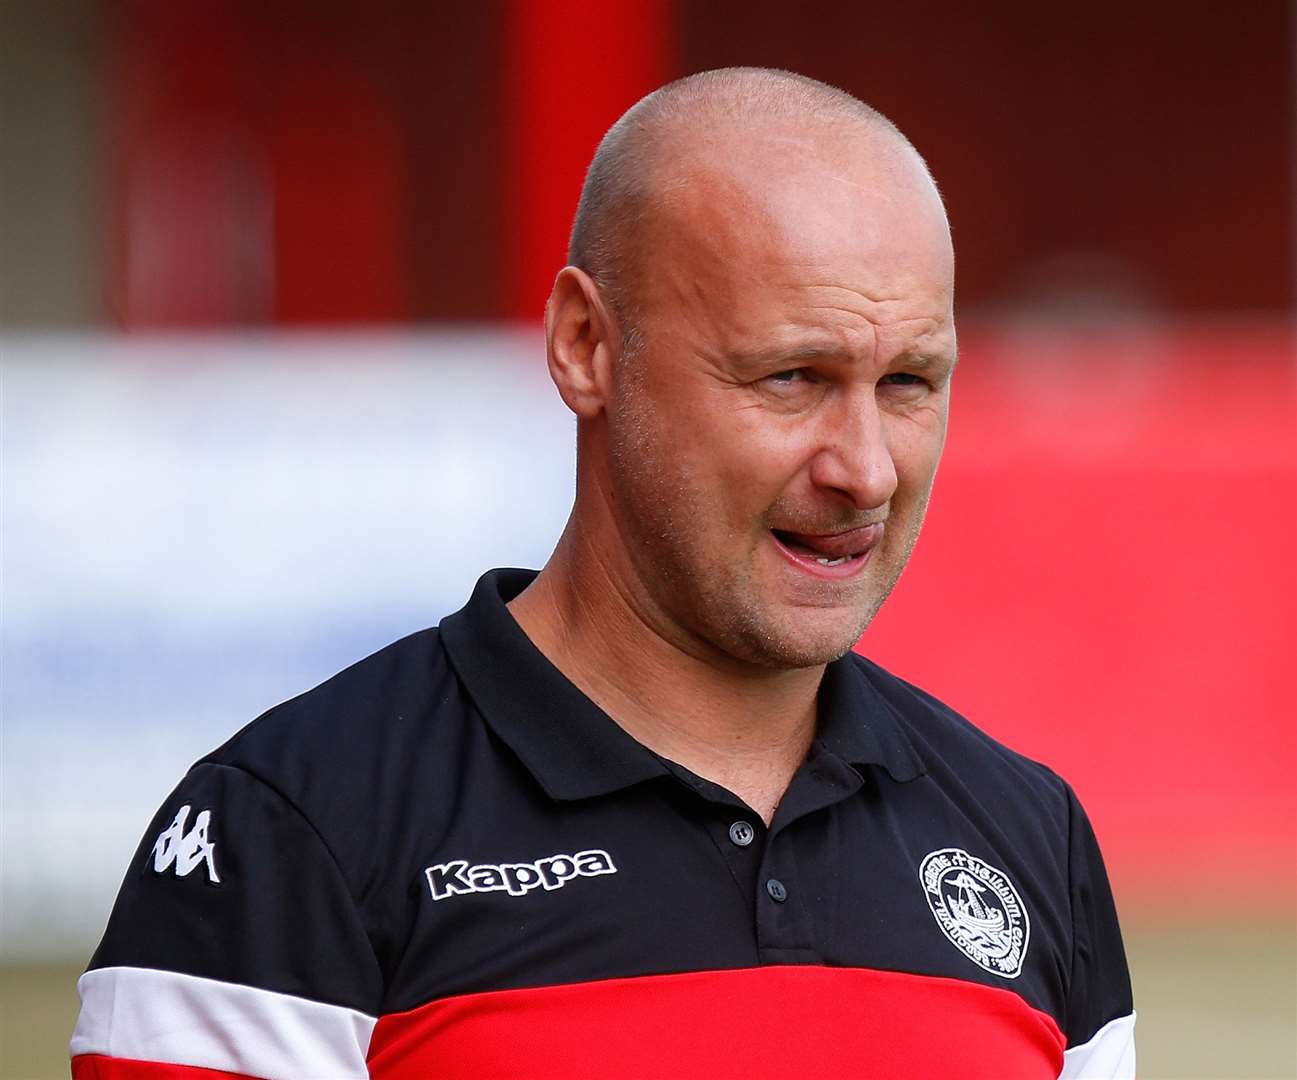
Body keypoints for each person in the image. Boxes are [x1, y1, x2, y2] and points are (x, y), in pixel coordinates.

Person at [71, 68, 1134, 1079]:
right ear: (586, 346)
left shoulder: (1030, 836)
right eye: (790, 377)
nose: (862, 469)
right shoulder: (291, 834)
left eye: (908, 382)